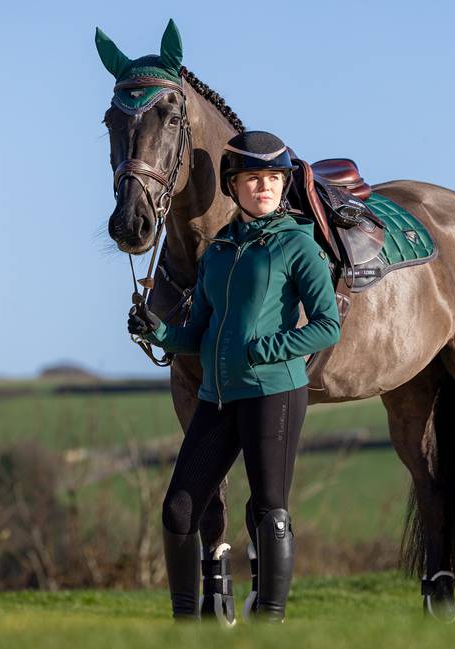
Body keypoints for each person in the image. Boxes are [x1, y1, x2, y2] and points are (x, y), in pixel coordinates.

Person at [127, 130, 341, 623]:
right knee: (179, 511)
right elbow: (197, 334)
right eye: (252, 179)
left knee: (270, 511)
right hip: (217, 398)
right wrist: (157, 330)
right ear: (233, 185)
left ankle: (269, 620)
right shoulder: (219, 252)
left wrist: (269, 349)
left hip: (274, 393)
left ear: (283, 186)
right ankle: (185, 625)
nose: (263, 187)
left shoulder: (297, 246)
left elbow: (327, 324)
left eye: (272, 178)